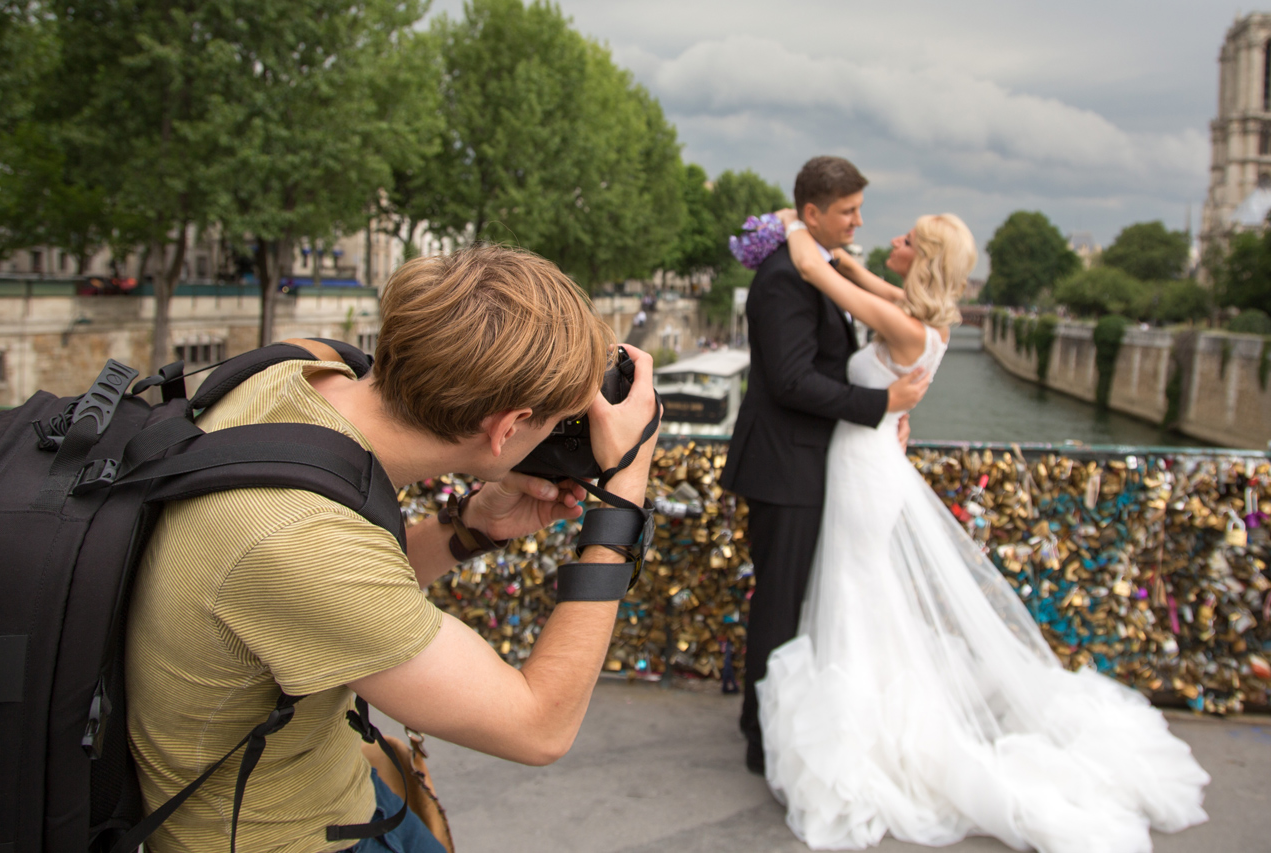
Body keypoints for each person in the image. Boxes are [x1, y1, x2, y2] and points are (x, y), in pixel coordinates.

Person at [125, 245, 660, 852]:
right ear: (507, 429)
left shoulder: (294, 373)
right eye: (555, 422)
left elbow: (325, 598)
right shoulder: (296, 541)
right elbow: (539, 728)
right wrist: (624, 497)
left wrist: (470, 528)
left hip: (326, 781)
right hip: (283, 837)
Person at [757, 210, 1210, 851]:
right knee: (865, 586)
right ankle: (869, 706)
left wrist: (786, 221)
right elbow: (851, 271)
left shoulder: (903, 324)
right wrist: (843, 256)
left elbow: (811, 267)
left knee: (857, 585)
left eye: (907, 240)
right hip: (875, 460)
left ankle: (865, 718)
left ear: (924, 260)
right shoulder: (926, 318)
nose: (893, 241)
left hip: (865, 468)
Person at [717, 156, 931, 775]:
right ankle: (763, 737)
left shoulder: (814, 266)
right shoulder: (786, 277)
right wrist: (881, 403)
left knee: (792, 602)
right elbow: (789, 381)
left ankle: (778, 721)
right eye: (848, 211)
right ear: (813, 213)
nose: (860, 221)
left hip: (803, 462)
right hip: (785, 467)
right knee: (779, 605)